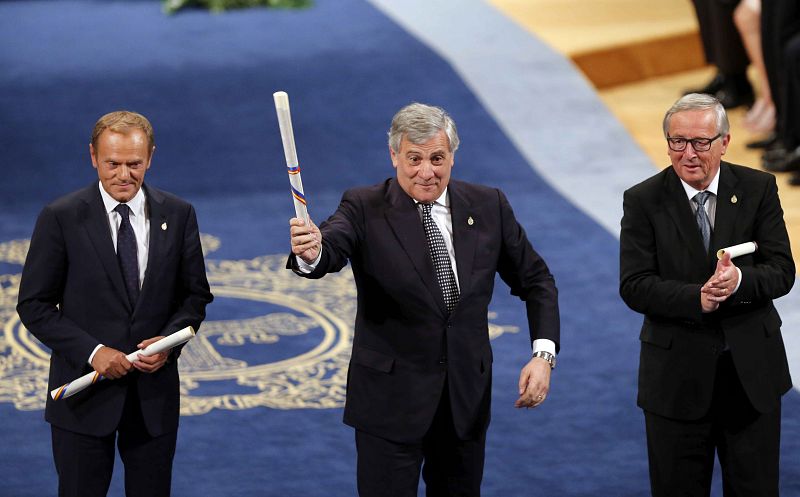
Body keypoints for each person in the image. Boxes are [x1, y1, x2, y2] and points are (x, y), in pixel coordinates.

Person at [287, 102, 560, 497]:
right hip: (390, 405)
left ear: (452, 156)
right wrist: (311, 253)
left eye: (437, 158)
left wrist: (543, 354)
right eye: (414, 159)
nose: (427, 172)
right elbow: (330, 247)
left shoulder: (488, 205)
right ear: (394, 155)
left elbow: (536, 280)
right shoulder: (363, 206)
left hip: (464, 402)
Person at [17, 111, 214, 497]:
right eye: (113, 164)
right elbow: (34, 304)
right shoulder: (61, 218)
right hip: (83, 401)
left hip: (152, 401)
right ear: (93, 156)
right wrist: (94, 352)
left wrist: (167, 346)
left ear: (150, 158)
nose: (123, 175)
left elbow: (195, 296)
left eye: (134, 164)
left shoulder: (178, 214)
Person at [620, 93, 794, 496]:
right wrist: (695, 298)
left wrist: (739, 284)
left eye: (701, 142)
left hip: (751, 378)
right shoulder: (643, 200)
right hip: (676, 383)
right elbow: (634, 284)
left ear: (725, 141)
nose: (688, 153)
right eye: (677, 141)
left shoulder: (758, 188)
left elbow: (782, 270)